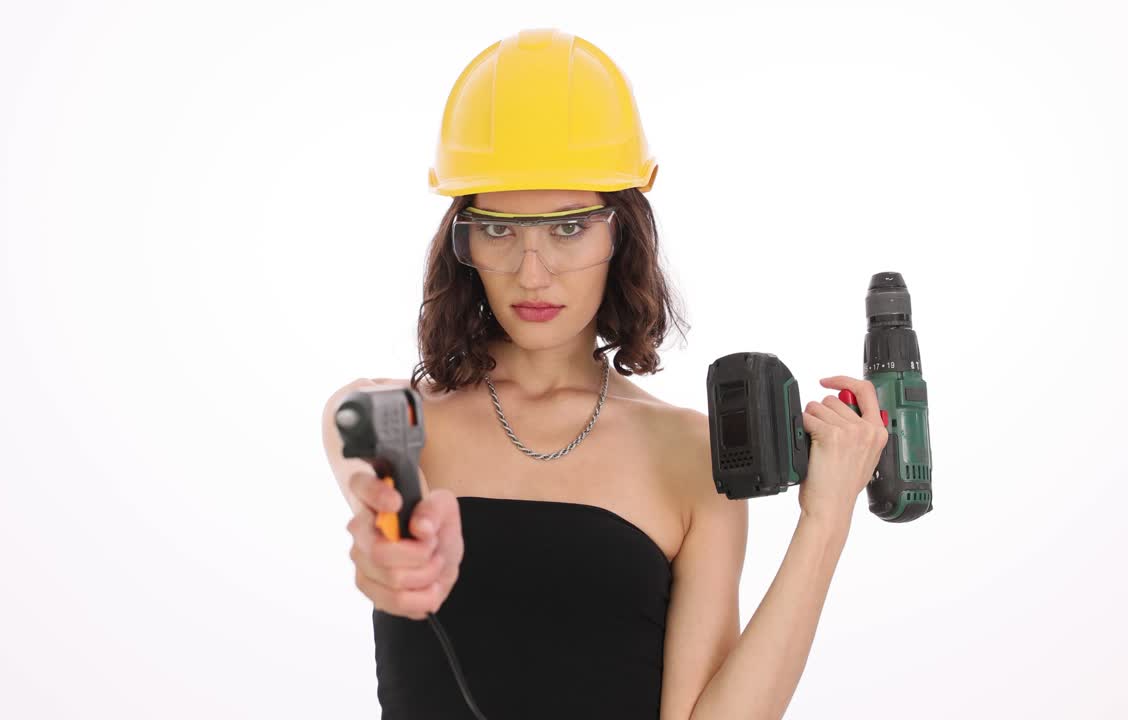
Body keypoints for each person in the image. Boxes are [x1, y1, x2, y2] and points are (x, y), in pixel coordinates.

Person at [321, 28, 890, 720]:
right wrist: (391, 547)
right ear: (462, 242)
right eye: (500, 229)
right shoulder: (400, 422)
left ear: (621, 234)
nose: (533, 271)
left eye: (568, 228)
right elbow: (359, 433)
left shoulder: (690, 455)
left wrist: (825, 520)